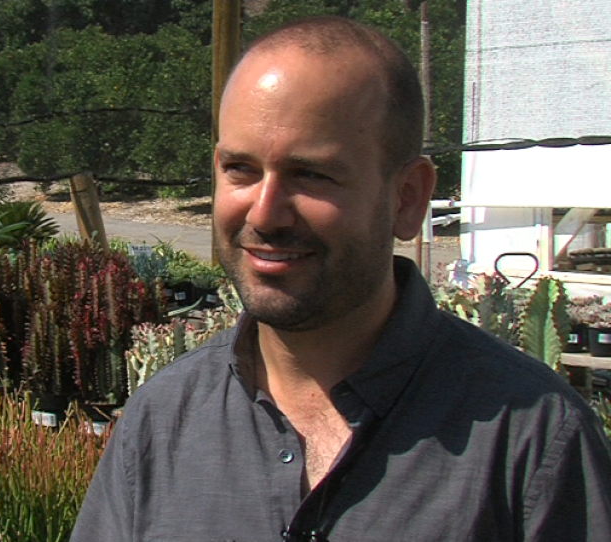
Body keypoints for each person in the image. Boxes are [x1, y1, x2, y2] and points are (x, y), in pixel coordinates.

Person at [70, 16, 611, 542]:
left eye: (311, 174)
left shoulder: (532, 442)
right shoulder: (161, 422)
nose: (264, 213)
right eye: (241, 169)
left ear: (408, 198)